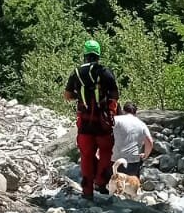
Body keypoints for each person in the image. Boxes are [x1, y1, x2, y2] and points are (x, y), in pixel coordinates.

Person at [64, 38, 120, 200]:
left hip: (85, 123)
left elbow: (67, 96)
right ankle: (101, 182)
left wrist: (80, 97)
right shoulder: (105, 72)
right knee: (105, 152)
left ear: (85, 54)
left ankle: (87, 191)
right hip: (103, 123)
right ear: (98, 55)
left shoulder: (76, 73)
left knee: (86, 156)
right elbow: (115, 96)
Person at [113, 101, 154, 180]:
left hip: (114, 159)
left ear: (123, 111)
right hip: (132, 162)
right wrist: (145, 155)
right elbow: (149, 142)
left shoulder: (115, 120)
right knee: (130, 188)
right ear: (136, 112)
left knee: (114, 186)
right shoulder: (141, 124)